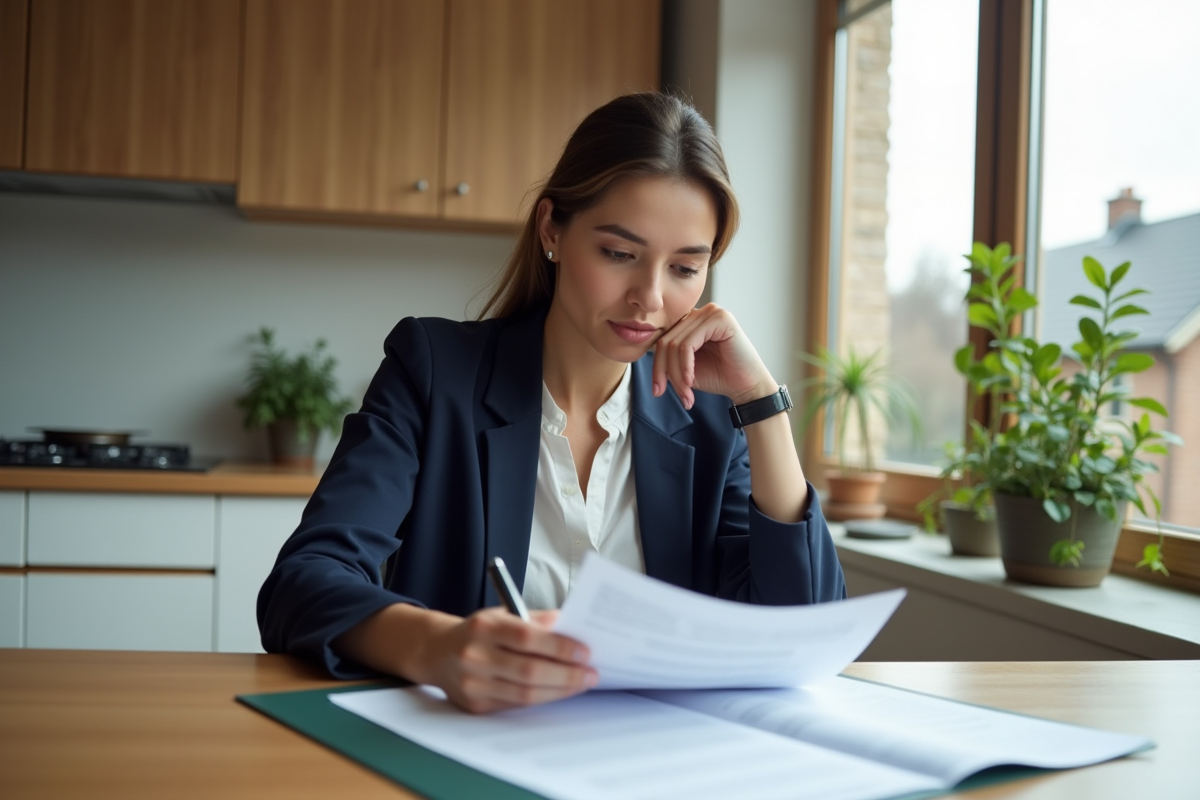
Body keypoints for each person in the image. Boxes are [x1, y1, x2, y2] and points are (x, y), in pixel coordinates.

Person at [258, 92, 846, 714]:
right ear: (552, 231)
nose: (649, 297)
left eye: (684, 268)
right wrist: (439, 647)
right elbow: (302, 584)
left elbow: (802, 635)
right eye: (619, 254)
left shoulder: (707, 418)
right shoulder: (435, 372)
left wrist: (761, 404)